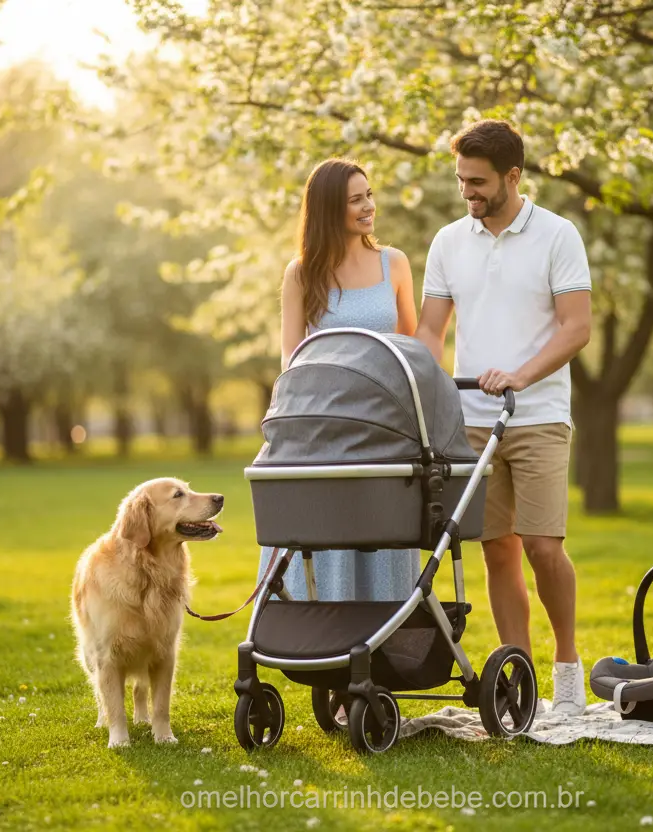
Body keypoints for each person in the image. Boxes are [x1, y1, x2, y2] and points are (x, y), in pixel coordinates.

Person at [414, 120, 593, 715]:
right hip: (470, 421)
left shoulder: (557, 236)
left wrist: (521, 374)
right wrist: (421, 387)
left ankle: (567, 662)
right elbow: (431, 333)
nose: (468, 192)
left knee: (542, 545)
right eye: (462, 180)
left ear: (513, 176)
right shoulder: (448, 243)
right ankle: (521, 677)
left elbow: (577, 328)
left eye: (479, 181)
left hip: (538, 415)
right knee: (497, 550)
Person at [256, 158, 421, 602]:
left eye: (369, 195)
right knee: (330, 532)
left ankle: (387, 638)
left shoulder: (395, 264)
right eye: (355, 199)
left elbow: (411, 344)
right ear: (330, 209)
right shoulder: (301, 273)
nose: (369, 206)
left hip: (386, 424)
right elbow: (292, 357)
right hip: (327, 423)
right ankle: (325, 635)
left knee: (383, 527)